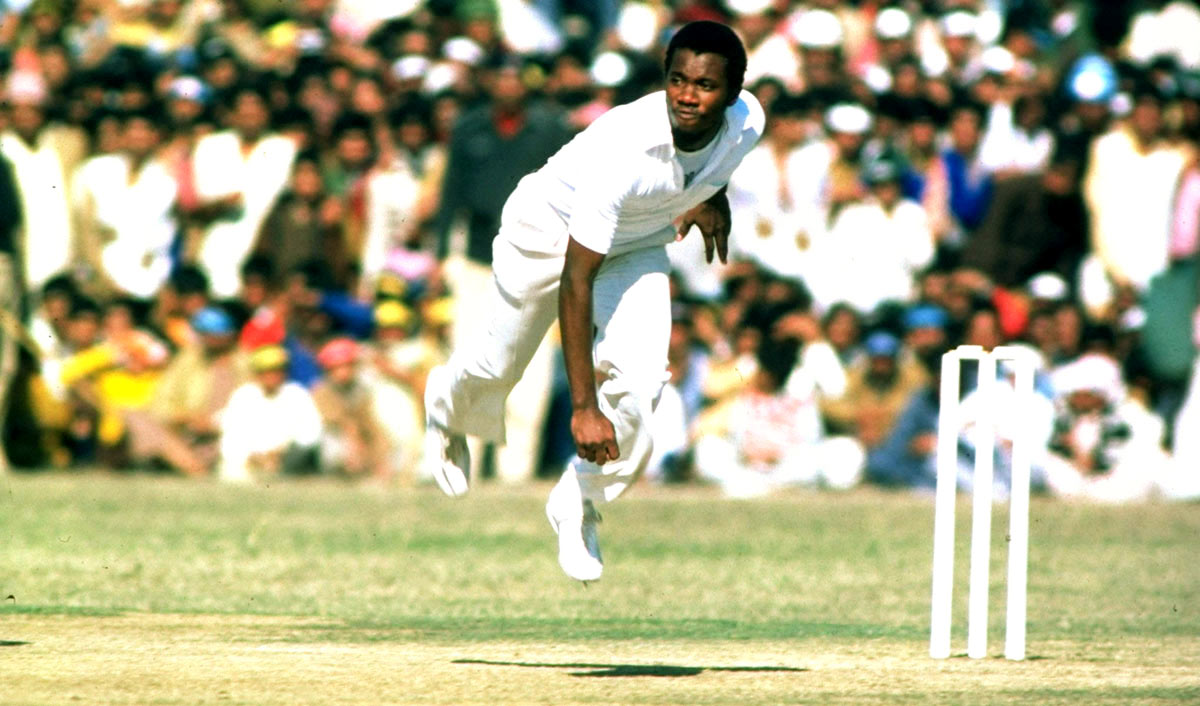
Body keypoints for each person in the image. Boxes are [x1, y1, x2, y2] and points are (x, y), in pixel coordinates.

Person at [424, 21, 764, 582]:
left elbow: (716, 158)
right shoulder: (625, 149)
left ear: (733, 91)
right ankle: (447, 403)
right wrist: (584, 407)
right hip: (545, 235)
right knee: (499, 366)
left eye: (704, 86)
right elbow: (575, 281)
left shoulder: (749, 120)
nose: (686, 95)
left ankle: (577, 499)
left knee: (643, 385)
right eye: (677, 80)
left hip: (635, 247)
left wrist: (711, 195)